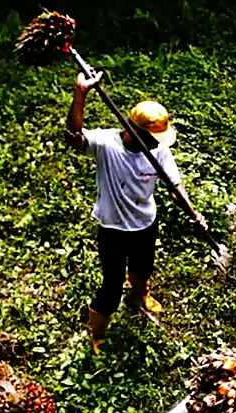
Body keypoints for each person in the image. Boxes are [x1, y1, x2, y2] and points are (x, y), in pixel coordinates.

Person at [65, 71, 198, 354]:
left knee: (142, 269)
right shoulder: (106, 144)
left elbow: (174, 183)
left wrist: (192, 210)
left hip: (144, 223)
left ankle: (140, 296)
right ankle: (97, 332)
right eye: (152, 138)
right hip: (113, 228)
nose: (158, 144)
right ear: (134, 130)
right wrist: (81, 93)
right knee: (111, 288)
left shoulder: (158, 149)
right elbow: (73, 137)